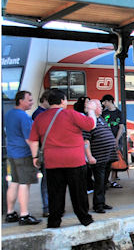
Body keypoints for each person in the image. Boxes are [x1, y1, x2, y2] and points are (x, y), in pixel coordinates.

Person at [28, 89, 96, 228]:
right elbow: (91, 125)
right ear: (62, 101)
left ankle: (54, 221)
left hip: (52, 161)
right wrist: (91, 110)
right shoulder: (71, 114)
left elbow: (33, 140)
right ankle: (85, 219)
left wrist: (35, 157)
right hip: (75, 160)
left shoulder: (40, 117)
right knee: (78, 192)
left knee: (55, 193)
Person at [4, 90, 41, 225]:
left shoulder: (9, 114)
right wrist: (35, 156)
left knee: (14, 183)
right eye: (29, 100)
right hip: (24, 154)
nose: (32, 102)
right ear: (21, 101)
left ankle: (10, 213)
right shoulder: (23, 117)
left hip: (12, 153)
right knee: (25, 184)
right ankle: (24, 215)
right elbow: (30, 139)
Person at [80, 98, 117, 213]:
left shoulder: (100, 118)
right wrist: (89, 156)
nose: (102, 108)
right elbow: (86, 140)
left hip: (107, 156)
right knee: (99, 182)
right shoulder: (88, 121)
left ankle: (102, 201)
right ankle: (98, 205)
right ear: (93, 108)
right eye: (99, 106)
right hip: (98, 157)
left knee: (104, 181)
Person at [32, 90, 51, 218]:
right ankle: (47, 207)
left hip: (46, 150)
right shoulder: (39, 114)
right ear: (45, 100)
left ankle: (49, 206)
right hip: (45, 150)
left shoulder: (40, 113)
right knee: (47, 180)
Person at [100, 94, 124, 188]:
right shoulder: (104, 113)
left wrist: (117, 139)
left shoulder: (119, 113)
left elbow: (121, 127)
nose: (104, 103)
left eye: (105, 101)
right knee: (106, 160)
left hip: (116, 139)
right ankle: (105, 180)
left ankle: (113, 180)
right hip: (106, 140)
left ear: (110, 101)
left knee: (115, 159)